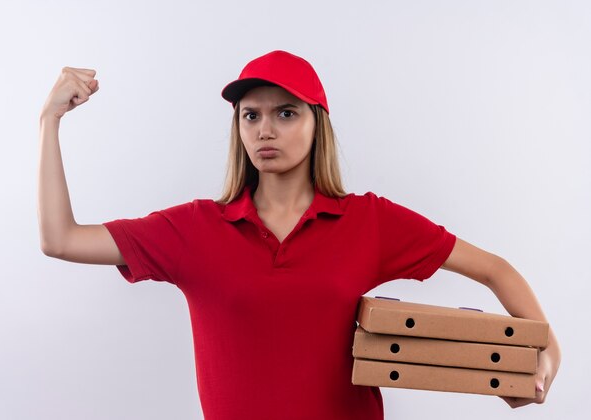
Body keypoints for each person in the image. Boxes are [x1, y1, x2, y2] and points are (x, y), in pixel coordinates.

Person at [38, 50, 560, 420]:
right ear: (238, 129)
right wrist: (49, 122)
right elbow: (60, 239)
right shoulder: (194, 228)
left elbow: (495, 269)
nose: (265, 129)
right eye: (251, 115)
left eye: (286, 113)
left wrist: (544, 361)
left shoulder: (368, 222)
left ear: (317, 124)